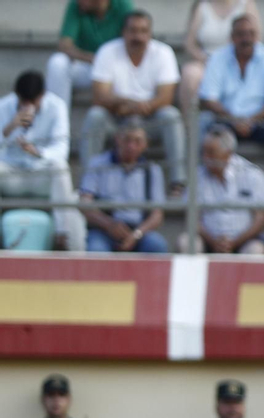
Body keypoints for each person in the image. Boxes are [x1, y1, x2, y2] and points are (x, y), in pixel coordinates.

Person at [82, 10, 184, 183]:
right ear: (123, 32)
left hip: (150, 120)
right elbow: (100, 96)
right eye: (133, 31)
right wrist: (128, 102)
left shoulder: (163, 52)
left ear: (150, 33)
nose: (138, 36)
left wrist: (134, 106)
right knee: (95, 115)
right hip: (116, 119)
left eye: (143, 31)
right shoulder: (107, 51)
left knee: (171, 116)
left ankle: (178, 182)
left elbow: (166, 97)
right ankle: (88, 182)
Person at [198, 13, 264, 192]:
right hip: (226, 121)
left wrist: (252, 120)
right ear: (232, 37)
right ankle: (199, 184)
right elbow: (208, 99)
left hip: (260, 121)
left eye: (250, 33)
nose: (246, 39)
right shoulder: (217, 58)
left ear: (257, 36)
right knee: (202, 121)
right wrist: (233, 119)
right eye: (241, 34)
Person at [0, 71, 86, 252]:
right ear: (16, 95)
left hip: (41, 174)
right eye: (23, 100)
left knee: (60, 168)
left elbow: (62, 149)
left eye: (33, 101)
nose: (28, 105)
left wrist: (38, 152)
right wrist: (9, 127)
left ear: (42, 95)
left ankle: (62, 235)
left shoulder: (57, 107)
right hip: (12, 175)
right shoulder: (4, 106)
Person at [177, 125, 264, 254]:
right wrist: (213, 241)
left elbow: (261, 218)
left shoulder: (252, 173)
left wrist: (235, 242)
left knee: (256, 249)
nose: (205, 157)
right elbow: (192, 217)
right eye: (204, 152)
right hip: (207, 240)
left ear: (228, 154)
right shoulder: (197, 176)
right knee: (186, 242)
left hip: (245, 241)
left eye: (211, 152)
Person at [79, 117, 167, 252]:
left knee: (157, 245)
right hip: (103, 230)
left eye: (137, 141)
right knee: (96, 249)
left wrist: (136, 234)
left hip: (139, 231)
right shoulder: (97, 164)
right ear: (117, 139)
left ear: (145, 144)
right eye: (127, 140)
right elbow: (85, 203)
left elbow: (157, 214)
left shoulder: (153, 170)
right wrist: (109, 225)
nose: (131, 146)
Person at [47, 0, 134, 107]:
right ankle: (58, 115)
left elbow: (133, 40)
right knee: (58, 62)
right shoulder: (76, 5)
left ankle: (124, 112)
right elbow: (64, 45)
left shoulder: (123, 5)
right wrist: (95, 59)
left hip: (115, 68)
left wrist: (107, 62)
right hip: (87, 65)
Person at [179, 0, 258, 115]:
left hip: (237, 61)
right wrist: (208, 60)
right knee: (190, 74)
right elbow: (189, 44)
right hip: (206, 61)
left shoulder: (246, 4)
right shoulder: (202, 6)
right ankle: (189, 122)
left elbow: (255, 40)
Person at [21, 374, 100, 418]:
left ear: (69, 399)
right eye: (51, 395)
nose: (56, 400)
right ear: (43, 400)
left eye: (61, 395)